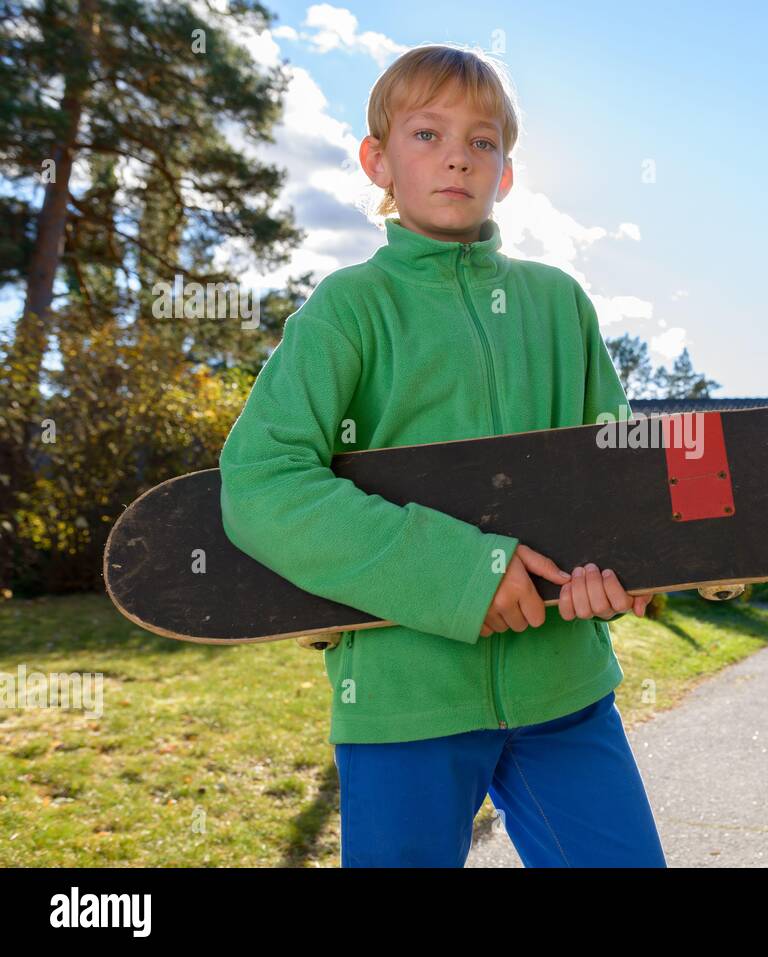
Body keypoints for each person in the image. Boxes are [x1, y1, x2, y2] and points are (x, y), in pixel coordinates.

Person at [218, 42, 666, 868]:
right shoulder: (349, 311)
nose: (459, 153)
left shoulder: (560, 305)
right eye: (427, 134)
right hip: (402, 700)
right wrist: (460, 575)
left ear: (506, 172)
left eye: (484, 140)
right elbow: (261, 483)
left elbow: (617, 476)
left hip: (566, 694)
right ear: (377, 161)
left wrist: (625, 572)